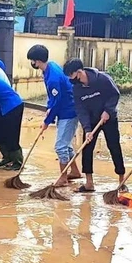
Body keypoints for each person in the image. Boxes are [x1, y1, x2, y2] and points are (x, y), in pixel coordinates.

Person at [63, 58, 125, 193]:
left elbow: (115, 94)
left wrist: (108, 111)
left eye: (71, 76)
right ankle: (89, 183)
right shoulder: (77, 89)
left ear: (79, 72)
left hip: (109, 119)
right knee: (87, 148)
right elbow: (81, 109)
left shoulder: (102, 79)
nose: (70, 79)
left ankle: (122, 180)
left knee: (114, 147)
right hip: (91, 121)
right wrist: (87, 129)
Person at [27, 44, 82, 183]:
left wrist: (47, 122)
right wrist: (48, 110)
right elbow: (53, 99)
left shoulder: (53, 78)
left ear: (37, 61)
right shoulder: (50, 67)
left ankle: (63, 177)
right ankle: (74, 171)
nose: (32, 63)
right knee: (66, 144)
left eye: (32, 60)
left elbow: (57, 102)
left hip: (68, 112)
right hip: (65, 109)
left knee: (60, 146)